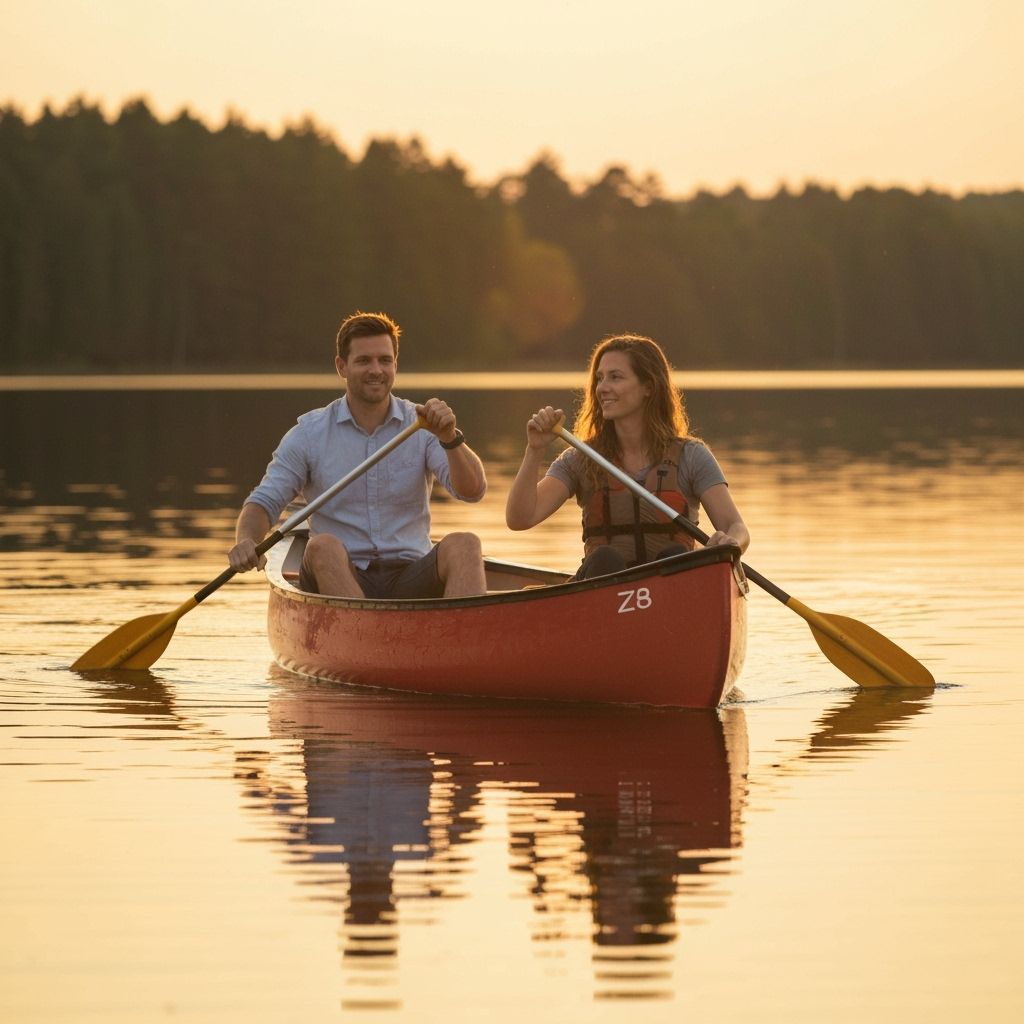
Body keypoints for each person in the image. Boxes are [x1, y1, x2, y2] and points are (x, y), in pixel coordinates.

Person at [229, 311, 488, 598]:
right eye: (364, 360)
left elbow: (473, 491)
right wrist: (246, 541)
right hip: (340, 574)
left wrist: (450, 438)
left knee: (466, 545)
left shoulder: (423, 424)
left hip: (411, 574)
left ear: (395, 365)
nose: (376, 370)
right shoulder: (309, 433)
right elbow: (263, 503)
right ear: (341, 366)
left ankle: (462, 640)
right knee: (321, 547)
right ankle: (364, 633)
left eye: (385, 360)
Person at [505, 334, 749, 579]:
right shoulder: (580, 459)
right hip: (600, 589)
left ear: (648, 387)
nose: (602, 388)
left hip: (673, 593)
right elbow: (520, 518)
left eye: (616, 377)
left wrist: (731, 544)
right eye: (599, 378)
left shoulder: (691, 456)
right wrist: (534, 450)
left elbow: (735, 527)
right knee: (605, 558)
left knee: (676, 556)